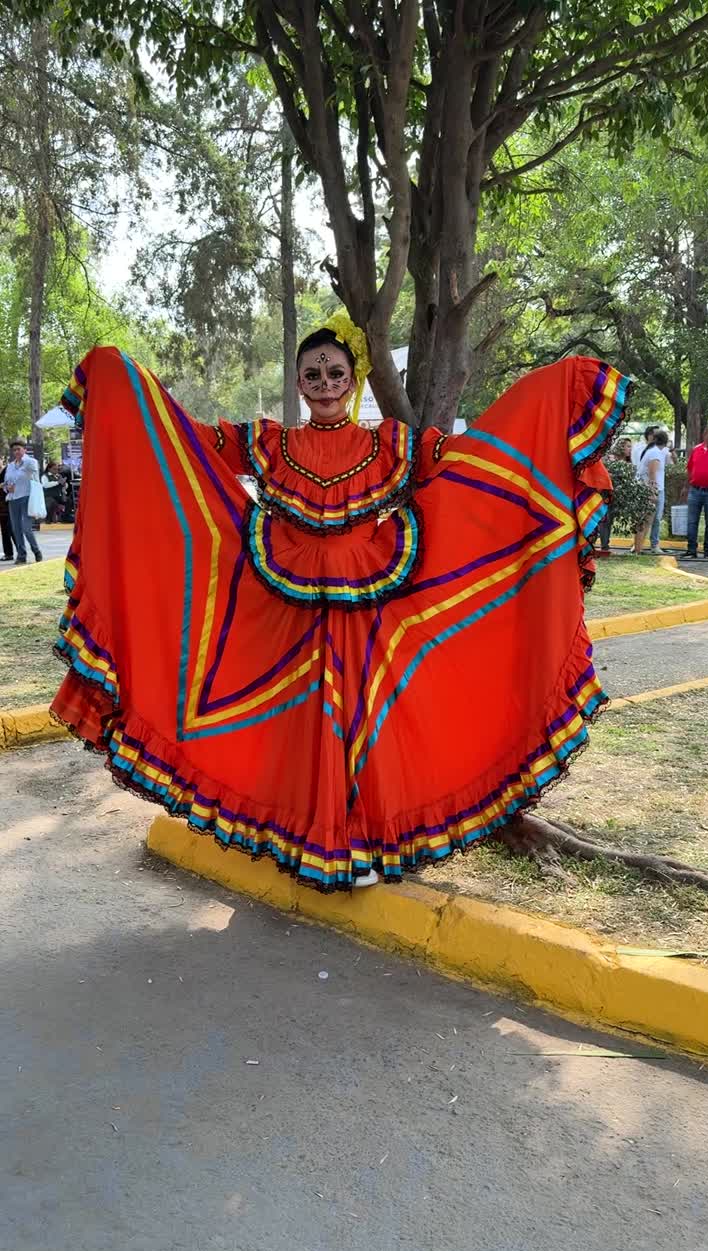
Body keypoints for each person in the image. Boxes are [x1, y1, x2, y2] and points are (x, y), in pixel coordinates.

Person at [49, 320, 631, 892]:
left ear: (352, 381)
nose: (325, 383)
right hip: (287, 609)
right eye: (313, 375)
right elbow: (189, 442)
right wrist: (120, 380)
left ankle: (365, 842)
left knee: (367, 723)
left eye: (335, 373)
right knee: (302, 727)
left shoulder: (389, 444)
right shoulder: (273, 444)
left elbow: (469, 458)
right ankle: (310, 841)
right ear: (300, 384)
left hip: (370, 606)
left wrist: (547, 400)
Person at [682, 425, 708, 560]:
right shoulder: (696, 450)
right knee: (692, 521)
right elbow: (690, 469)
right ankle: (691, 550)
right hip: (695, 491)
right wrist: (686, 487)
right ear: (705, 435)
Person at [2, 440, 42, 564]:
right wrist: (7, 487)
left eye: (19, 449)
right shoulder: (10, 466)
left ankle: (36, 551)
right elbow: (6, 482)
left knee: (26, 528)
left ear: (24, 449)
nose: (16, 452)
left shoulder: (31, 462)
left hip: (26, 497)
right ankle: (21, 555)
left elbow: (35, 478)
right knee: (16, 529)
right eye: (14, 450)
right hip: (13, 499)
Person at [634, 428, 670, 554]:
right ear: (666, 443)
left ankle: (638, 548)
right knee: (646, 520)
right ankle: (638, 548)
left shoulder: (651, 450)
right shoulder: (655, 453)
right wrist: (653, 492)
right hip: (652, 490)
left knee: (648, 520)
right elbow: (652, 473)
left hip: (650, 488)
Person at [597, 435, 633, 555]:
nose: (630, 449)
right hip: (605, 493)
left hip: (617, 495)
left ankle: (605, 544)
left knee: (609, 519)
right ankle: (604, 546)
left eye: (630, 447)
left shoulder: (627, 462)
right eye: (628, 446)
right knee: (604, 519)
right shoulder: (610, 459)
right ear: (620, 447)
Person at [0, 460, 15, 560]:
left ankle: (21, 552)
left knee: (12, 528)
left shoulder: (7, 469)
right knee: (5, 530)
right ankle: (8, 553)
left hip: (8, 503)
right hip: (2, 506)